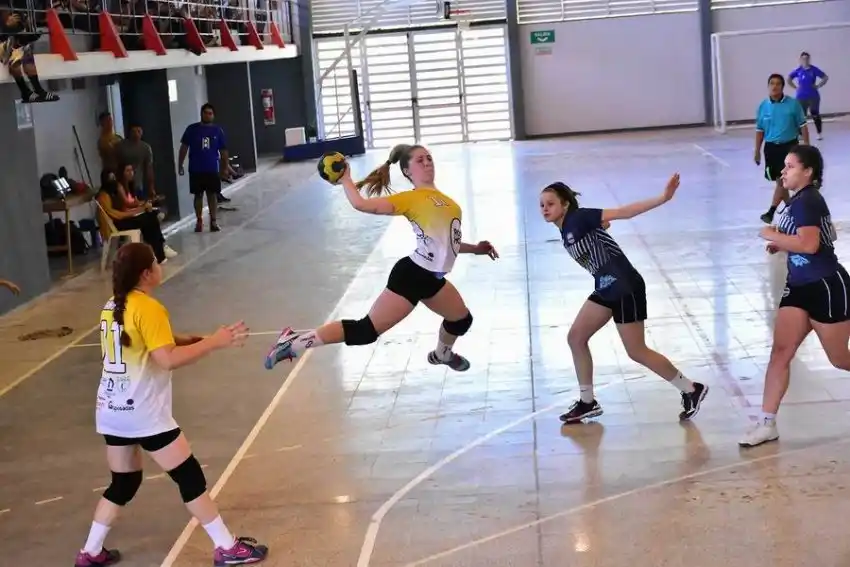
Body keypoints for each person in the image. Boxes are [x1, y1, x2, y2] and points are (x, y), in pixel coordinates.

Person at [74, 242, 268, 567]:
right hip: (143, 413)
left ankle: (90, 553)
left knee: (124, 482)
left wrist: (190, 338)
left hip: (111, 410)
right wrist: (213, 343)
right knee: (190, 478)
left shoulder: (113, 305)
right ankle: (226, 547)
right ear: (147, 273)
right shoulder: (149, 308)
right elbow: (167, 360)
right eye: (156, 261)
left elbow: (147, 339)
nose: (160, 265)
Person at [263, 144, 498, 372]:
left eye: (429, 158)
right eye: (420, 160)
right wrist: (346, 180)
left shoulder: (449, 203)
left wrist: (476, 248)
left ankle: (441, 355)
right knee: (365, 331)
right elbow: (362, 204)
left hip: (432, 280)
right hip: (411, 276)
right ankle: (292, 342)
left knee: (461, 320)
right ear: (407, 171)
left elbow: (449, 244)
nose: (427, 162)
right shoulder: (410, 198)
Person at [539, 174, 708, 424]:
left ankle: (691, 389)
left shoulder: (579, 217)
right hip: (606, 287)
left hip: (625, 286)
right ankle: (587, 402)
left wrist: (663, 198)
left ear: (565, 204)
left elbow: (623, 212)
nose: (545, 209)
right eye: (542, 205)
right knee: (576, 338)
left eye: (550, 203)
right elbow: (598, 233)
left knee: (636, 351)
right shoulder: (567, 229)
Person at [740, 145, 847, 447]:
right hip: (798, 286)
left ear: (808, 171)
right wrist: (783, 242)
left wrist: (771, 236)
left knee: (840, 359)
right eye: (784, 167)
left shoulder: (808, 201)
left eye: (789, 167)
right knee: (780, 354)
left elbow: (811, 246)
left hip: (825, 286)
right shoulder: (797, 201)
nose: (783, 172)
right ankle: (766, 423)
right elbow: (826, 235)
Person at [755, 73, 809, 225]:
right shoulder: (763, 106)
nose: (775, 86)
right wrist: (757, 151)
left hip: (789, 146)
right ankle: (794, 210)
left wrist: (807, 147)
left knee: (782, 180)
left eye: (778, 83)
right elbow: (759, 130)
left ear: (782, 87)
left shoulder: (793, 105)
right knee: (781, 182)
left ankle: (771, 211)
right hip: (771, 148)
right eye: (772, 83)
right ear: (768, 86)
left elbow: (803, 126)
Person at [96, 169, 175, 264]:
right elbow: (116, 215)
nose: (113, 180)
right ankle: (159, 252)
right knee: (148, 219)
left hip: (122, 220)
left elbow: (126, 204)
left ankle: (159, 249)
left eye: (114, 177)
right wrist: (134, 212)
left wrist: (141, 207)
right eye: (110, 178)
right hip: (116, 225)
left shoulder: (113, 191)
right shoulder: (103, 195)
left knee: (150, 216)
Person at [177, 103, 235, 233]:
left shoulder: (217, 131)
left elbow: (224, 150)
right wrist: (180, 164)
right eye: (205, 113)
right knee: (198, 195)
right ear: (201, 114)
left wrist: (225, 167)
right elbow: (184, 148)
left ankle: (213, 221)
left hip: (211, 168)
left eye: (210, 113)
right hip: (195, 168)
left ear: (213, 116)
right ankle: (199, 220)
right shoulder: (191, 129)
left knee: (212, 195)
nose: (207, 115)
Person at [0, 4, 59, 103]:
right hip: (4, 43)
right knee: (14, 55)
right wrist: (5, 24)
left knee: (25, 51)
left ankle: (38, 90)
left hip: (13, 39)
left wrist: (26, 23)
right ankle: (25, 92)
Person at [788, 52, 828, 141]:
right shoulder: (798, 70)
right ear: (800, 60)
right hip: (801, 97)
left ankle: (819, 133)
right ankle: (801, 134)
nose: (805, 60)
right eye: (803, 58)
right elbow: (789, 79)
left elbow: (825, 77)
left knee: (815, 114)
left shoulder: (814, 69)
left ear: (809, 59)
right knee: (801, 116)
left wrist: (818, 86)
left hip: (813, 96)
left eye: (807, 58)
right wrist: (795, 87)